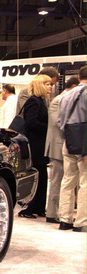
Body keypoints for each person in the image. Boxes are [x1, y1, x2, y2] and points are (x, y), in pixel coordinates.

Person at [45, 76, 80, 224]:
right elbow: (58, 123)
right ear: (74, 86)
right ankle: (52, 213)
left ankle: (61, 212)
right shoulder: (58, 100)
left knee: (65, 181)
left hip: (67, 144)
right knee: (57, 181)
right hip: (58, 146)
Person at [17, 74, 53, 219]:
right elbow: (31, 122)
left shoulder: (41, 101)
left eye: (50, 84)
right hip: (34, 144)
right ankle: (29, 208)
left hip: (40, 144)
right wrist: (48, 128)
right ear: (39, 86)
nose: (50, 87)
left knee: (42, 175)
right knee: (36, 175)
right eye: (47, 84)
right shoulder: (33, 101)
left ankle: (39, 207)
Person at [57, 66, 87, 232]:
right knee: (85, 182)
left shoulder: (66, 95)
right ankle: (81, 222)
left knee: (67, 180)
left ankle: (65, 219)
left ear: (79, 77)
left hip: (68, 141)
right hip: (84, 143)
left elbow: (60, 122)